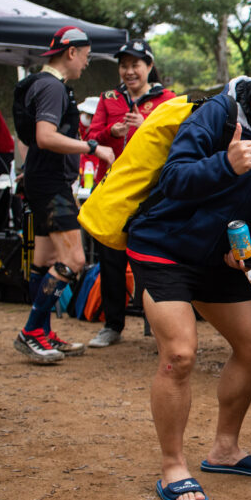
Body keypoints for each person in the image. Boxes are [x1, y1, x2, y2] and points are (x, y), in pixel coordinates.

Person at [125, 30, 251, 500]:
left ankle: (224, 450)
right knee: (181, 354)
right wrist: (225, 164)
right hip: (164, 247)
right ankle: (173, 467)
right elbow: (173, 178)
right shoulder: (219, 112)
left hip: (218, 256)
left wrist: (248, 248)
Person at [11, 26, 115, 364]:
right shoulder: (53, 87)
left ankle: (41, 332)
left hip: (40, 180)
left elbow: (28, 139)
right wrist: (92, 147)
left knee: (43, 261)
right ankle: (30, 332)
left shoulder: (33, 83)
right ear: (71, 52)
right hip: (52, 184)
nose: (86, 63)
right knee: (74, 260)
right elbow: (45, 136)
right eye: (85, 56)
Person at [86, 39, 175, 348]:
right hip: (112, 189)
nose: (129, 71)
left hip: (152, 193)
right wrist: (112, 132)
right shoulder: (109, 98)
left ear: (149, 66)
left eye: (135, 64)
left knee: (151, 258)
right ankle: (112, 325)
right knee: (110, 258)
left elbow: (176, 138)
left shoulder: (167, 99)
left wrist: (146, 124)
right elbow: (91, 136)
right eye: (124, 65)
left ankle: (157, 324)